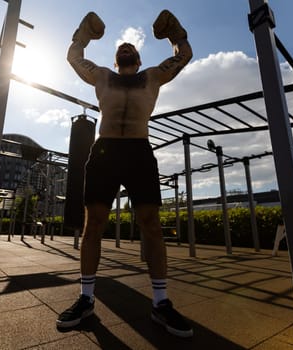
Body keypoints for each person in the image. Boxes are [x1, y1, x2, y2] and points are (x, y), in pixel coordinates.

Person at [56, 10, 193, 338]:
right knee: (94, 227)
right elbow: (73, 56)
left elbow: (184, 55)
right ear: (117, 60)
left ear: (137, 57)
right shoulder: (102, 76)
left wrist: (176, 34)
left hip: (138, 152)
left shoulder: (153, 76)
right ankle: (86, 298)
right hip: (105, 153)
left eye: (131, 47)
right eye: (122, 48)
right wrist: (82, 34)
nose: (126, 47)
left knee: (152, 225)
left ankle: (161, 303)